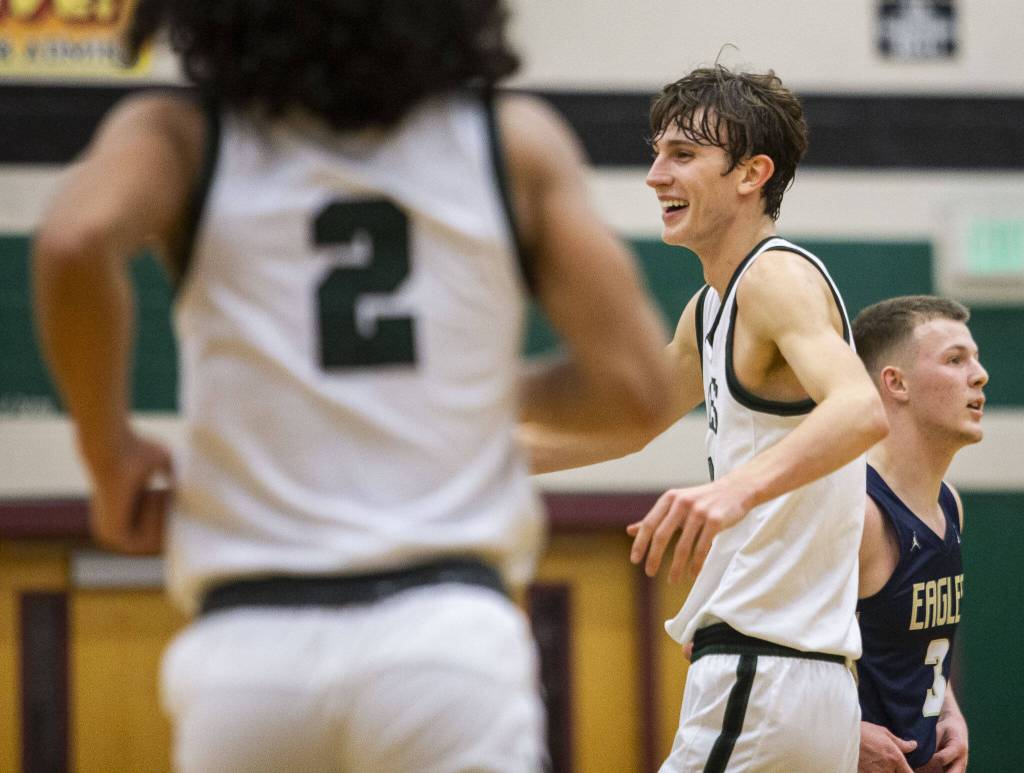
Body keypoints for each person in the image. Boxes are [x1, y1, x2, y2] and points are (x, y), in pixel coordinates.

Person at [31, 1, 674, 770]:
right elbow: (641, 391)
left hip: (251, 649)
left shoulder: (177, 136)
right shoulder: (511, 143)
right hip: (445, 643)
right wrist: (464, 388)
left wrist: (107, 453)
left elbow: (72, 243)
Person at [522, 64, 889, 772]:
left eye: (684, 155)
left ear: (752, 173)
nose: (657, 174)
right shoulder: (710, 307)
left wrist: (733, 489)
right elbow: (629, 422)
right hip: (792, 679)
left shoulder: (775, 277)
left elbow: (860, 409)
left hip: (763, 672)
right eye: (657, 153)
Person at [852, 296, 980, 773]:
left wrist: (948, 710)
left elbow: (919, 647)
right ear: (896, 383)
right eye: (955, 359)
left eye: (975, 357)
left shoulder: (950, 502)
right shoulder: (857, 511)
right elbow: (744, 646)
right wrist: (844, 733)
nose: (979, 374)